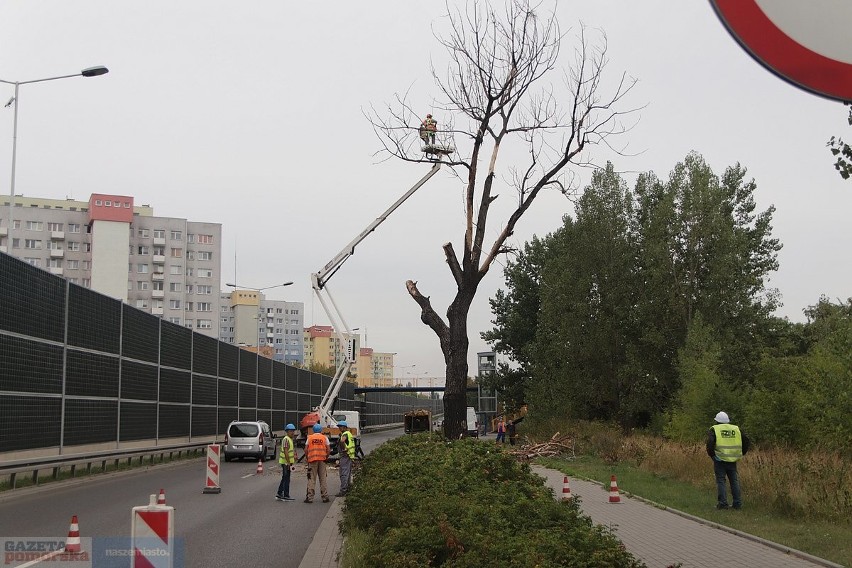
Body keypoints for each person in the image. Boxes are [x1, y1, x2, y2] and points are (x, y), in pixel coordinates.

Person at [706, 411, 750, 510]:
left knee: (721, 481)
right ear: (728, 421)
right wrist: (742, 452)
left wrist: (712, 455)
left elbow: (710, 443)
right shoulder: (736, 429)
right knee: (734, 481)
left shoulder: (715, 429)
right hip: (733, 459)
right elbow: (746, 439)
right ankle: (737, 504)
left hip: (719, 459)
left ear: (717, 421)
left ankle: (722, 504)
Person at [305, 423, 331, 503]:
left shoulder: (310, 438)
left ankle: (310, 497)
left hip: (312, 460)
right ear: (321, 430)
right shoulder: (324, 438)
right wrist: (326, 457)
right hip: (322, 460)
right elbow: (328, 450)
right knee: (323, 478)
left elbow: (306, 449)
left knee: (311, 478)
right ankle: (325, 497)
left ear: (313, 430)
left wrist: (308, 458)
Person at [275, 423, 297, 501]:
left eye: (293, 431)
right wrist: (288, 462)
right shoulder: (286, 439)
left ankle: (279, 493)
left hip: (287, 462)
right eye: (291, 431)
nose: (293, 432)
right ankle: (286, 495)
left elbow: (290, 451)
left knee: (285, 478)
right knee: (286, 478)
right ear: (287, 431)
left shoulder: (290, 439)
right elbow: (286, 451)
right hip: (285, 462)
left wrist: (293, 457)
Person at [336, 421, 356, 497]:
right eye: (339, 426)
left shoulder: (345, 434)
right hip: (349, 456)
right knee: (347, 473)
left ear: (345, 427)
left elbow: (342, 441)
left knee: (343, 473)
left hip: (345, 456)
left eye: (341, 426)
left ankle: (343, 490)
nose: (339, 428)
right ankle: (348, 489)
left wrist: (344, 448)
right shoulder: (349, 434)